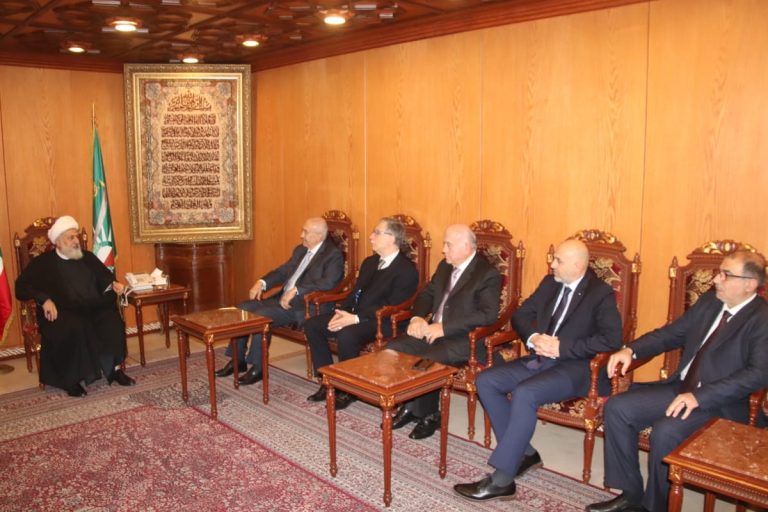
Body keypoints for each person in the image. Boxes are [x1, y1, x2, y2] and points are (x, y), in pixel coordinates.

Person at [586, 250, 768, 512]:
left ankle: (655, 506)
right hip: (680, 388)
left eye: (725, 275)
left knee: (667, 430)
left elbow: (757, 374)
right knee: (618, 407)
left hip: (720, 404)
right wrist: (631, 350)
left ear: (749, 284)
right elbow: (671, 334)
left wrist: (699, 397)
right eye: (719, 273)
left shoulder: (762, 319)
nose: (716, 279)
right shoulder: (710, 302)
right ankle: (631, 495)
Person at [454, 239, 623, 502]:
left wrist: (562, 347)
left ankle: (502, 480)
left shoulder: (600, 294)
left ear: (578, 265)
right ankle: (525, 453)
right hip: (541, 358)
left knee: (526, 393)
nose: (552, 264)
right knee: (486, 381)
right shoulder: (550, 283)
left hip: (576, 368)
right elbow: (521, 315)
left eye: (559, 261)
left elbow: (611, 339)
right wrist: (533, 338)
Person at [387, 224, 501, 440]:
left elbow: (487, 315)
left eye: (448, 245)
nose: (443, 250)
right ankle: (409, 405)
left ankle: (430, 414)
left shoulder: (487, 274)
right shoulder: (445, 265)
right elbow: (426, 295)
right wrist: (418, 317)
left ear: (466, 247)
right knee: (394, 348)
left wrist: (445, 327)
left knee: (426, 360)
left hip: (463, 338)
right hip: (432, 329)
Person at [304, 217, 419, 409]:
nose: (371, 237)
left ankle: (348, 389)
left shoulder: (406, 270)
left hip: (384, 321)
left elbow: (393, 305)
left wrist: (355, 319)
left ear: (392, 238)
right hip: (356, 315)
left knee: (347, 334)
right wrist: (342, 312)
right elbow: (355, 292)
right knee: (313, 325)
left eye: (377, 233)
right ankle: (327, 380)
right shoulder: (370, 262)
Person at [15, 215, 135, 397]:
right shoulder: (43, 263)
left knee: (112, 321)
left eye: (76, 237)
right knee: (75, 326)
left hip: (92, 307)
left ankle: (114, 369)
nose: (76, 241)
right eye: (70, 238)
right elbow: (21, 287)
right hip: (62, 311)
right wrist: (44, 299)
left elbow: (104, 276)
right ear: (58, 242)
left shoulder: (87, 257)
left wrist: (113, 284)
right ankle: (71, 379)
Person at [215, 217, 344, 384]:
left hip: (306, 306)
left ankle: (258, 367)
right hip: (282, 299)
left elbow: (329, 282)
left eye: (305, 232)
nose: (301, 235)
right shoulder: (300, 250)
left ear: (319, 236)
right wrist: (262, 282)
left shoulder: (333, 255)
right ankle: (237, 360)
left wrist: (297, 290)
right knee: (242, 309)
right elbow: (283, 271)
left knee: (261, 316)